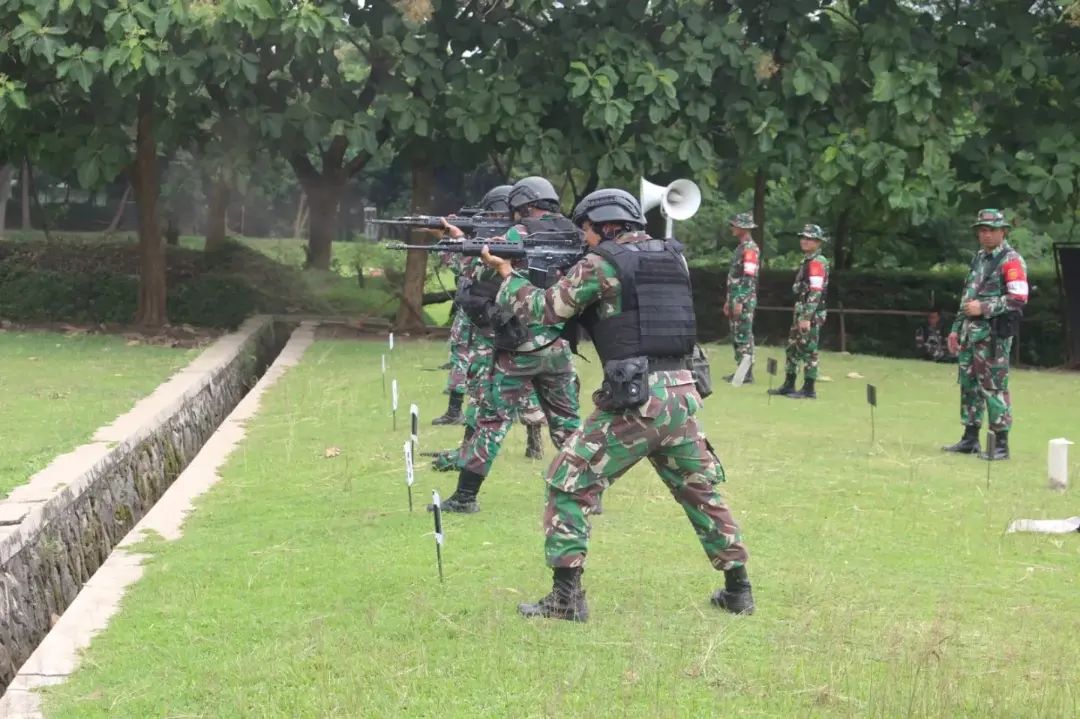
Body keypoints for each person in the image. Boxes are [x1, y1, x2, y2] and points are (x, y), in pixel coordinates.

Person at [479, 188, 753, 622]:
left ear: (605, 226)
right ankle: (739, 590)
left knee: (566, 484)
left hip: (637, 399)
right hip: (682, 391)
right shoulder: (672, 258)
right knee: (701, 491)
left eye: (586, 231)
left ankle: (566, 599)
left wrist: (507, 273)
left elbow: (544, 309)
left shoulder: (602, 263)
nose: (584, 239)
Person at [431, 176, 582, 513]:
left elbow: (481, 275)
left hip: (519, 347)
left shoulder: (519, 234)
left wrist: (460, 244)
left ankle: (466, 497)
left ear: (524, 206)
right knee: (568, 424)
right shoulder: (574, 234)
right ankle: (587, 494)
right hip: (558, 346)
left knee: (492, 421)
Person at [941, 209, 1028, 461]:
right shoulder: (980, 258)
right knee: (969, 385)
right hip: (971, 334)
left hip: (993, 336)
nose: (985, 234)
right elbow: (968, 297)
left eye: (991, 230)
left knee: (994, 387)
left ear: (1003, 232)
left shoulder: (1011, 261)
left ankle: (1000, 444)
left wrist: (985, 307)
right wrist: (956, 329)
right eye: (981, 230)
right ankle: (970, 438)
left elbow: (1018, 298)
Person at [768, 224, 830, 399]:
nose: (804, 241)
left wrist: (807, 317)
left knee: (809, 349)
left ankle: (809, 388)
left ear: (818, 242)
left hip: (810, 314)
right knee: (793, 348)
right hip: (801, 311)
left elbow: (816, 291)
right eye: (803, 237)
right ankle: (789, 384)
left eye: (809, 238)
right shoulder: (808, 260)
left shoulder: (818, 262)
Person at [722, 212, 760, 382]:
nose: (732, 228)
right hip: (735, 298)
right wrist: (728, 300)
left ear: (743, 228)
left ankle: (746, 373)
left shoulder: (750, 249)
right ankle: (741, 370)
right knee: (737, 333)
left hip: (742, 299)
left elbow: (748, 277)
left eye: (735, 225)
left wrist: (739, 300)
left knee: (743, 334)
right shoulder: (741, 248)